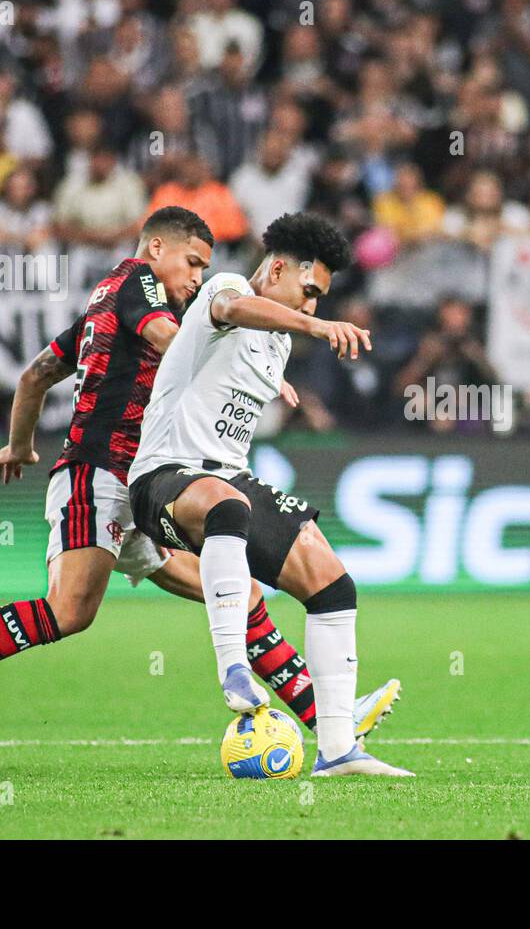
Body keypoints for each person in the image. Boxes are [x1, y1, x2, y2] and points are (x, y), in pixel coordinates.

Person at [0, 206, 398, 766]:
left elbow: (36, 376)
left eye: (205, 266)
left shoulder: (107, 316)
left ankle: (328, 720)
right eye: (192, 262)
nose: (197, 276)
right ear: (155, 249)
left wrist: (20, 444)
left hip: (153, 480)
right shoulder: (132, 286)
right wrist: (241, 352)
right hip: (100, 471)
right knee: (69, 611)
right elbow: (174, 341)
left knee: (237, 591)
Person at [127, 212, 411, 777]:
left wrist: (279, 365)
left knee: (332, 584)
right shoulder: (226, 287)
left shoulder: (276, 341)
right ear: (277, 268)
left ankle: (337, 750)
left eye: (319, 301)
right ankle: (234, 667)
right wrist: (316, 328)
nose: (311, 307)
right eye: (309, 292)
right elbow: (232, 313)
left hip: (226, 479)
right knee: (226, 505)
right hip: (163, 479)